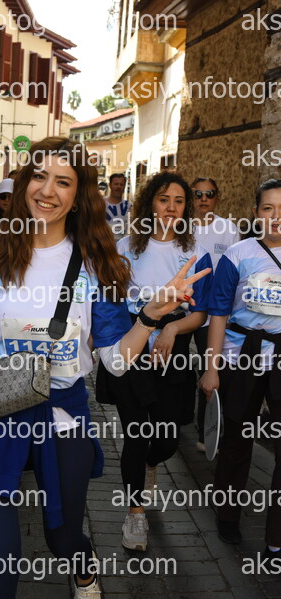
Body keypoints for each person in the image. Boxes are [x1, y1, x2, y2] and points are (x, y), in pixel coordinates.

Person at [0, 138, 211, 599]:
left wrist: (148, 317)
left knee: (63, 537)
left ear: (79, 194)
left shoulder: (97, 264)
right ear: (24, 183)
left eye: (63, 181)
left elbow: (115, 362)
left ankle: (83, 570)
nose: (48, 190)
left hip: (61, 415)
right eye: (39, 176)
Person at [97, 171, 213, 552]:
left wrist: (172, 329)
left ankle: (151, 464)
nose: (171, 207)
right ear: (150, 204)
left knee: (166, 440)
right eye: (164, 199)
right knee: (135, 434)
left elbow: (201, 314)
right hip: (133, 346)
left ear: (186, 208)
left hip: (171, 351)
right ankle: (135, 514)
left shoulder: (194, 254)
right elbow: (112, 301)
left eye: (179, 201)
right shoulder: (125, 248)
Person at [200, 179, 281, 567]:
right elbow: (218, 312)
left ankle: (276, 538)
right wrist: (211, 369)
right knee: (236, 440)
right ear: (255, 213)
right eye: (268, 209)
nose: (276, 217)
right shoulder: (237, 254)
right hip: (240, 358)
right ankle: (228, 514)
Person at [191, 177, 240, 450]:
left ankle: (205, 432)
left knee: (210, 368)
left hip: (214, 315)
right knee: (174, 368)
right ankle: (175, 418)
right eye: (198, 194)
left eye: (209, 194)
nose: (203, 198)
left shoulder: (228, 230)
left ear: (217, 197)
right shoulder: (183, 228)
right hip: (183, 311)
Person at [104, 173, 130, 241]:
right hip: (104, 244)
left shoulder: (129, 206)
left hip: (122, 245)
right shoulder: (100, 204)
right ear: (110, 185)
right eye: (116, 184)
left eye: (121, 184)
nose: (119, 187)